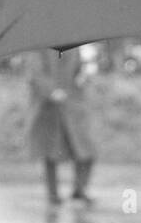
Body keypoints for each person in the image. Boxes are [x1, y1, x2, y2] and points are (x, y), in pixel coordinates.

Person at [26, 47, 95, 205]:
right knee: (51, 152)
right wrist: (51, 92)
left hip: (72, 107)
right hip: (48, 109)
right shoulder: (40, 48)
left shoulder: (74, 47)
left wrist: (83, 76)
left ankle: (80, 189)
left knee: (86, 149)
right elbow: (35, 74)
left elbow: (79, 71)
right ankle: (53, 193)